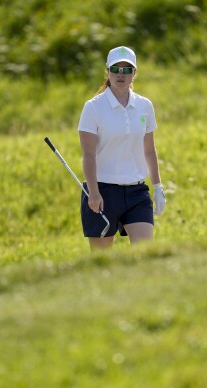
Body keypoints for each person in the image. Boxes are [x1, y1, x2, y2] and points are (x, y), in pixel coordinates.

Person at [77, 46, 166, 250]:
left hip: (136, 191)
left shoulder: (145, 106)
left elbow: (149, 150)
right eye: (116, 69)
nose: (121, 74)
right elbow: (88, 155)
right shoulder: (93, 107)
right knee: (102, 263)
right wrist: (93, 191)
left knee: (144, 255)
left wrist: (158, 187)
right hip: (102, 192)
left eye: (127, 70)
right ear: (107, 71)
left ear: (135, 73)